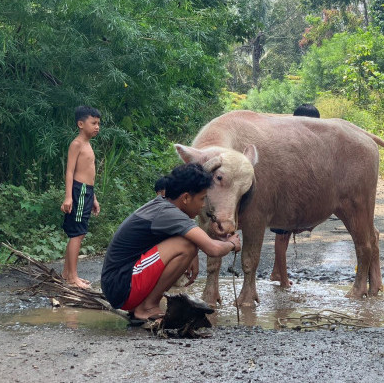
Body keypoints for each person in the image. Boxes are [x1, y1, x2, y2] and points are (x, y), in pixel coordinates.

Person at [101, 163, 241, 322]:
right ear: (186, 198)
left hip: (120, 285)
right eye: (202, 199)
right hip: (121, 287)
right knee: (185, 246)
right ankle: (147, 307)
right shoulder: (168, 213)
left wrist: (194, 254)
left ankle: (143, 304)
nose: (203, 205)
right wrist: (231, 243)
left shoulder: (163, 206)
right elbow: (213, 249)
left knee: (189, 245)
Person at [269, 103, 320, 287]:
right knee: (282, 235)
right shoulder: (288, 140)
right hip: (284, 193)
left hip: (292, 193)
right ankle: (282, 279)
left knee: (285, 233)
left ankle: (277, 271)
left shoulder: (301, 139)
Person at [60, 105, 101, 289]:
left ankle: (67, 273)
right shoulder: (77, 144)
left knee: (80, 232)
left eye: (98, 123)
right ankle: (72, 278)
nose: (97, 127)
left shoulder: (88, 144)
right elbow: (70, 171)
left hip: (87, 191)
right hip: (78, 191)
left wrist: (94, 198)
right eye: (93, 123)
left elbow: (89, 174)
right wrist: (68, 197)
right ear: (80, 124)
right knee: (77, 233)